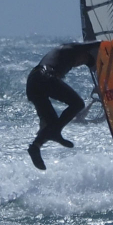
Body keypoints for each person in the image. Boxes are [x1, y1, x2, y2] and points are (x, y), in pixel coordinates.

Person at [25, 41, 100, 171]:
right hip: (44, 76)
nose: (79, 64)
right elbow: (99, 43)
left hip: (33, 82)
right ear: (82, 54)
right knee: (78, 103)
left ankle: (35, 146)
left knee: (50, 123)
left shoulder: (65, 59)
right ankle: (55, 132)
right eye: (83, 60)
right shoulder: (70, 47)